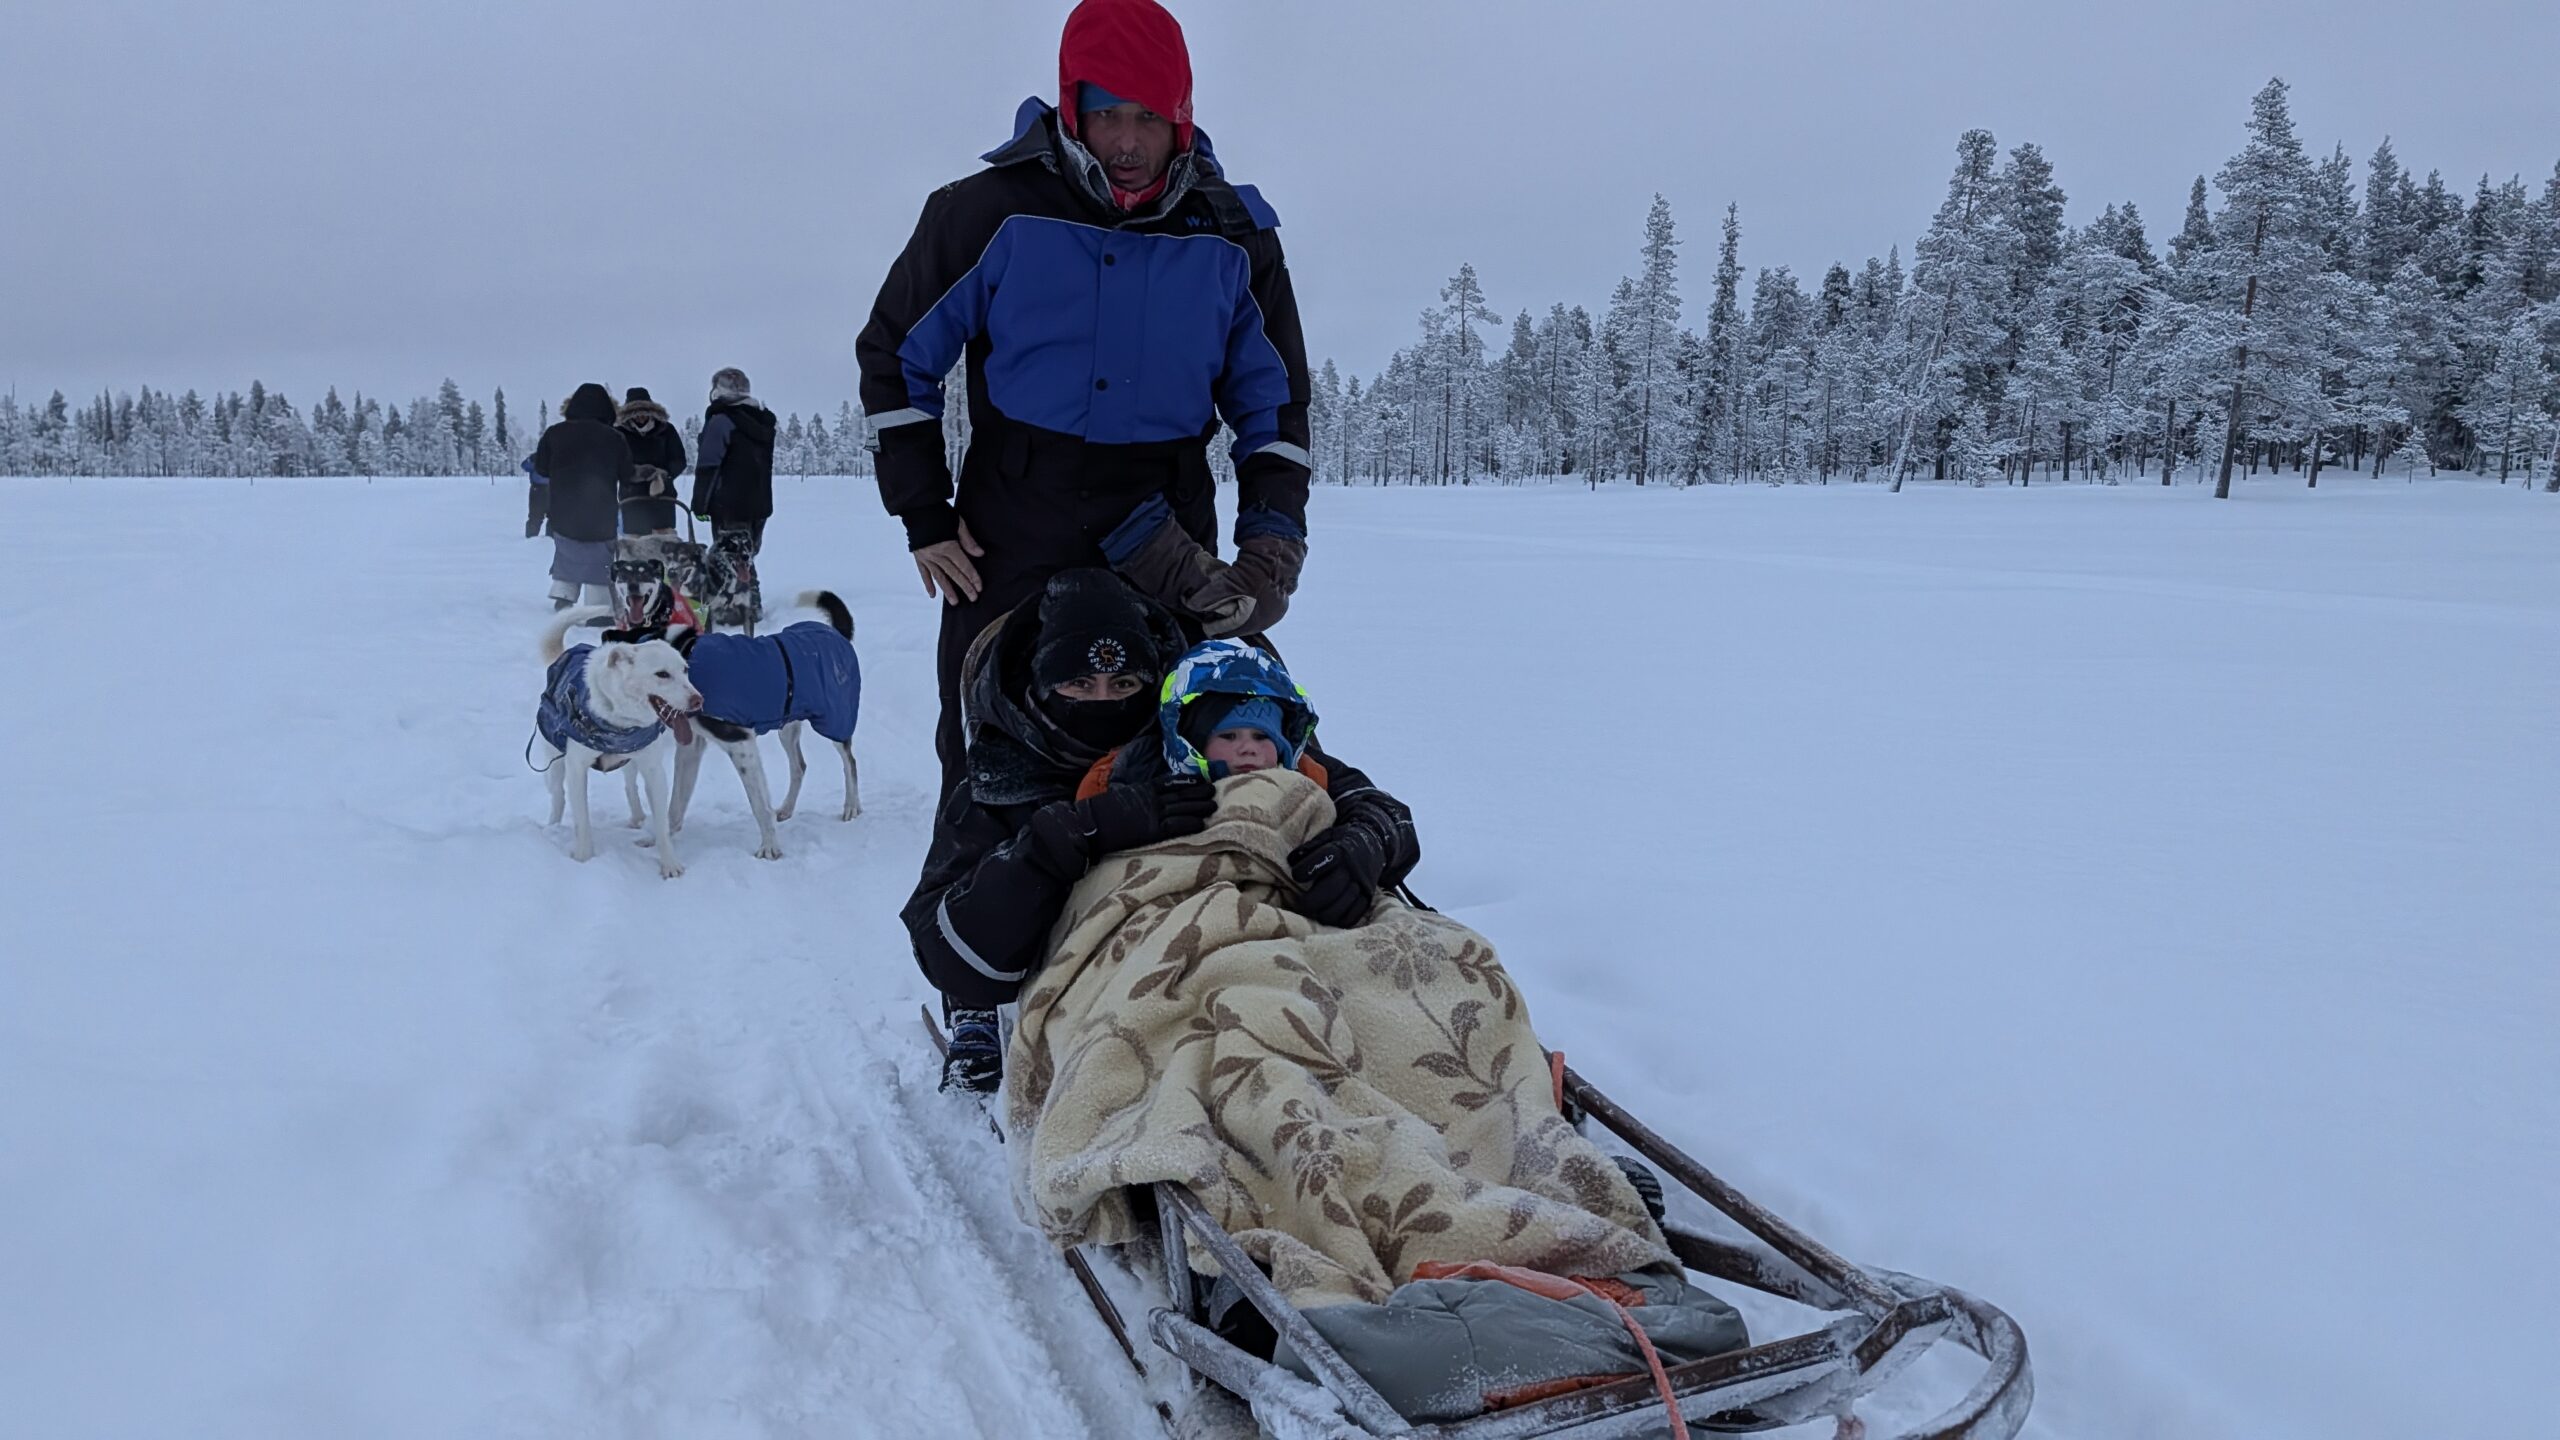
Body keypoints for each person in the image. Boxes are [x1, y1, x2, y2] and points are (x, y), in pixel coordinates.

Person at [856, 0, 1316, 802]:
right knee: (990, 751)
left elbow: (1273, 404)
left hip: (1166, 519)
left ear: (1184, 117)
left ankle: (1158, 915)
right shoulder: (985, 212)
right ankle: (976, 911)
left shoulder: (1234, 236)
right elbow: (897, 357)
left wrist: (1273, 535)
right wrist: (923, 512)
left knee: (1175, 751)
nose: (1129, 142)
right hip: (1013, 518)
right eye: (1107, 116)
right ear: (1072, 110)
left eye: (1149, 117)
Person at [905, 569, 1205, 1093]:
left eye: (1125, 684)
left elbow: (1326, 782)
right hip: (1070, 986)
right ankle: (974, 1015)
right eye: (1079, 684)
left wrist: (1369, 831)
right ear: (1042, 686)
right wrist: (1060, 841)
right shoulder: (997, 781)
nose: (1103, 702)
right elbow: (944, 951)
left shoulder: (1193, 743)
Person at [525, 383, 633, 610]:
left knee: (567, 550)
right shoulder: (614, 437)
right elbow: (627, 473)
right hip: (601, 508)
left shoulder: (555, 433)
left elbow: (542, 469)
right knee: (600, 555)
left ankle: (564, 595)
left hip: (564, 507)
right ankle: (599, 605)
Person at [693, 367, 777, 553]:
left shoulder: (721, 421)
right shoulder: (762, 421)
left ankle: (741, 583)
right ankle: (747, 582)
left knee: (730, 561)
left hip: (728, 506)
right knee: (745, 559)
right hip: (759, 504)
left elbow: (709, 465)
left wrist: (699, 503)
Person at [615, 386, 687, 536]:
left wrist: (664, 473)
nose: (640, 417)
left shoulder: (666, 430)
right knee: (635, 546)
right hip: (632, 498)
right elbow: (615, 463)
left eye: (644, 413)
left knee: (665, 544)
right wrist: (634, 473)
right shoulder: (620, 434)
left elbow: (679, 460)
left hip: (662, 496)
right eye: (636, 414)